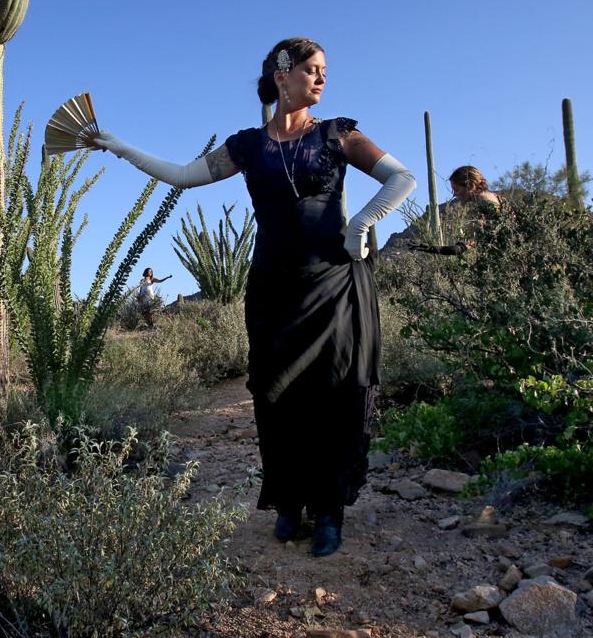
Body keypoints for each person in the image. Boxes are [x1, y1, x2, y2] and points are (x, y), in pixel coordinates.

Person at [90, 38, 416, 556]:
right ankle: (289, 502)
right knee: (275, 394)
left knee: (335, 395)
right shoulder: (248, 145)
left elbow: (402, 177)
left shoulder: (338, 134)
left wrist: (363, 221)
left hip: (334, 285)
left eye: (324, 71)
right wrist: (118, 146)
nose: (321, 79)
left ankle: (329, 510)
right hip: (272, 288)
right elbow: (182, 175)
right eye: (312, 69)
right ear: (282, 75)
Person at [409, 166, 500, 256]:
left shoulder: (486, 203)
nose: (454, 194)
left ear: (471, 186)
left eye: (456, 189)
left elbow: (495, 235)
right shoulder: (484, 202)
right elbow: (464, 246)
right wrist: (431, 248)